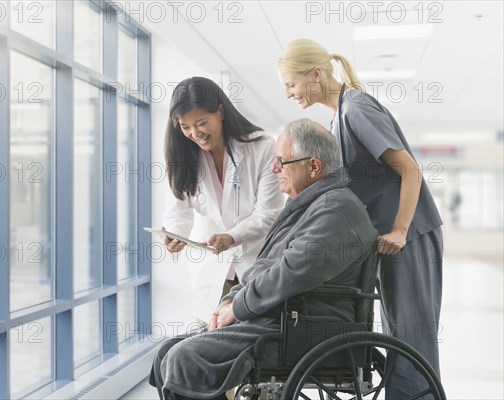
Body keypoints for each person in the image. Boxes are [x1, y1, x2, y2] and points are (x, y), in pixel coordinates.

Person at [149, 118, 378, 399]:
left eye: (281, 162)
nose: (273, 168)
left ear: (314, 167)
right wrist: (229, 301)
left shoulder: (336, 211)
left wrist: (238, 307)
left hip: (303, 326)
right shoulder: (308, 206)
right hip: (280, 317)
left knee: (184, 358)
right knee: (165, 352)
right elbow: (263, 267)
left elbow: (290, 273)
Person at [276, 38, 444, 398]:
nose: (289, 93)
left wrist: (399, 230)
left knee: (411, 335)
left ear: (316, 74)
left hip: (410, 233)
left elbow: (410, 170)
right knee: (399, 331)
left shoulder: (357, 109)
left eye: (291, 84)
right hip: (390, 239)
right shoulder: (338, 116)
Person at [161, 76, 284, 322]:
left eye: (201, 123)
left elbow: (269, 213)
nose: (195, 133)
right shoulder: (182, 154)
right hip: (211, 270)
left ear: (220, 112)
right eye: (185, 127)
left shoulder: (262, 146)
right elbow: (178, 210)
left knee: (249, 344)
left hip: (255, 264)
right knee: (207, 340)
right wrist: (174, 234)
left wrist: (232, 237)